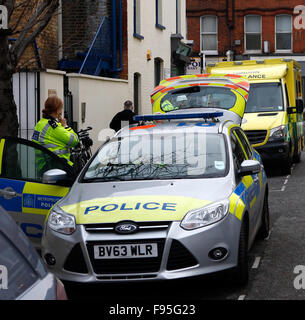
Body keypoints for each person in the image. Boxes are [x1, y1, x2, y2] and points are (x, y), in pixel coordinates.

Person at [32, 96, 79, 168]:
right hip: (57, 166)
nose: (61, 111)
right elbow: (74, 141)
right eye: (61, 108)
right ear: (57, 110)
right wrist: (65, 126)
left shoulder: (40, 123)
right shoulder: (53, 127)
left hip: (42, 166)